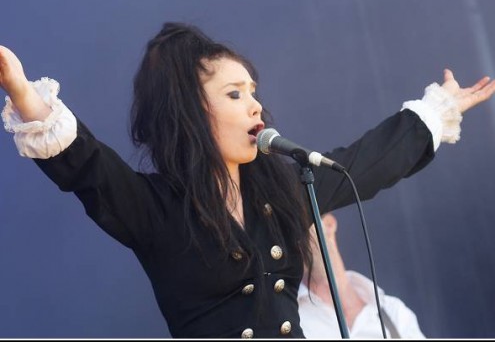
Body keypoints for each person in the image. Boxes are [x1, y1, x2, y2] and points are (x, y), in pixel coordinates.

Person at [1, 22, 494, 338]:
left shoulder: (281, 193)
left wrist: (435, 111)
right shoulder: (157, 209)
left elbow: (365, 163)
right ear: (191, 113)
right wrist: (22, 91)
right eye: (235, 94)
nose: (256, 104)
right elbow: (88, 167)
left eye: (253, 91)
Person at [298, 212, 426, 339]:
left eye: (300, 225)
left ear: (328, 224)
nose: (293, 239)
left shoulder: (393, 311)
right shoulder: (290, 318)